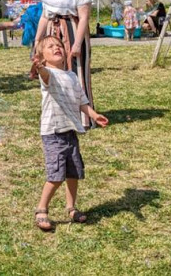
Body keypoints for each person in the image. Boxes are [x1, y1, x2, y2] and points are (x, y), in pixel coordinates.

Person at [31, 36, 108, 232]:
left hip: (70, 131)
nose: (57, 48)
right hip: (54, 132)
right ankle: (41, 209)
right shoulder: (48, 73)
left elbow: (81, 101)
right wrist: (39, 67)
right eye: (50, 47)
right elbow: (44, 75)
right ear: (42, 56)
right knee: (56, 175)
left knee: (73, 172)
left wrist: (94, 115)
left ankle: (71, 207)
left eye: (59, 45)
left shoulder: (72, 76)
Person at [34, 0, 94, 110]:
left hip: (72, 30)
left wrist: (77, 44)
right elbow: (44, 16)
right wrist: (37, 40)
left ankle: (82, 115)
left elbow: (83, 18)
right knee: (53, 71)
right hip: (52, 31)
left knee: (76, 71)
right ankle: (59, 111)